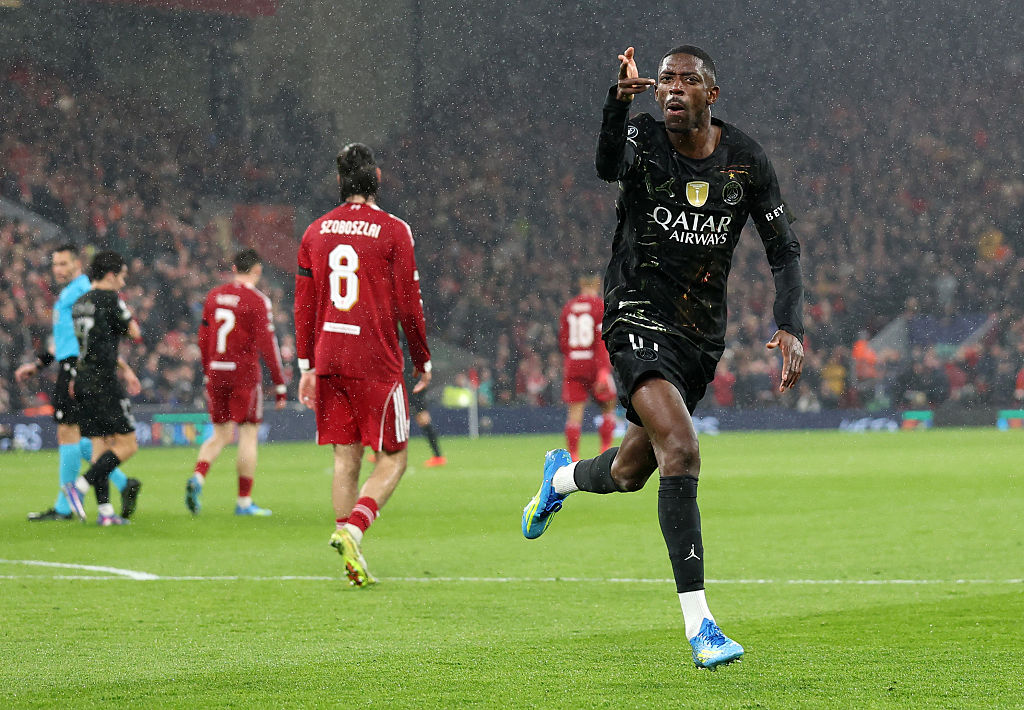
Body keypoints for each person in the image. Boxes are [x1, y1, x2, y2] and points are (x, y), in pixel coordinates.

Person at [522, 45, 805, 669]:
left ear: (713, 94)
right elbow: (604, 166)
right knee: (682, 449)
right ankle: (701, 627)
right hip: (635, 313)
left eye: (688, 81)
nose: (673, 89)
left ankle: (561, 478)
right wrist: (615, 103)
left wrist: (791, 326)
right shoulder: (643, 140)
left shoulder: (745, 161)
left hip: (699, 339)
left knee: (628, 472)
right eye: (666, 80)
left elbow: (785, 251)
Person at [295, 143, 432, 587]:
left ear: (339, 183)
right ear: (377, 178)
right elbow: (409, 306)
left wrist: (305, 365)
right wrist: (422, 357)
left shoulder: (315, 232)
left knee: (345, 457)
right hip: (374, 355)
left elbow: (305, 304)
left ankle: (346, 545)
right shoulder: (393, 230)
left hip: (329, 354)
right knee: (393, 459)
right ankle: (353, 530)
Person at [15, 244, 141, 522]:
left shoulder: (84, 293)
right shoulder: (74, 295)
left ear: (77, 264)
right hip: (77, 368)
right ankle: (119, 487)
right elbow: (66, 340)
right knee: (88, 439)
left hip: (77, 371)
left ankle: (65, 504)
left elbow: (92, 343)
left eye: (63, 264)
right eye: (55, 264)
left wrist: (123, 367)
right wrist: (39, 365)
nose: (57, 269)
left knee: (72, 436)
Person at [185, 249, 288, 517]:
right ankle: (243, 502)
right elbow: (269, 345)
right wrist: (279, 383)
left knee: (219, 433)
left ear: (233, 268)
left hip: (217, 370)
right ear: (257, 270)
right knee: (248, 433)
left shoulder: (214, 296)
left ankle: (198, 476)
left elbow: (203, 336)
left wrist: (208, 369)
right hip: (243, 373)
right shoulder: (257, 301)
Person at [63, 251, 146, 526]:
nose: (123, 281)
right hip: (103, 381)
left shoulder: (80, 303)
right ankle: (80, 486)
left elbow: (92, 344)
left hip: (83, 379)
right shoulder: (110, 300)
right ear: (110, 275)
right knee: (128, 444)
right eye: (122, 275)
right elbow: (133, 333)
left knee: (99, 447)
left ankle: (107, 513)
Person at [559, 274, 618, 460]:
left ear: (581, 284)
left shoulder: (569, 308)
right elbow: (602, 340)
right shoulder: (599, 305)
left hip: (574, 364)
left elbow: (563, 342)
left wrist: (573, 358)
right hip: (594, 363)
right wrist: (602, 370)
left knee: (575, 412)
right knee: (608, 406)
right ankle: (605, 449)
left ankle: (574, 456)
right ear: (597, 284)